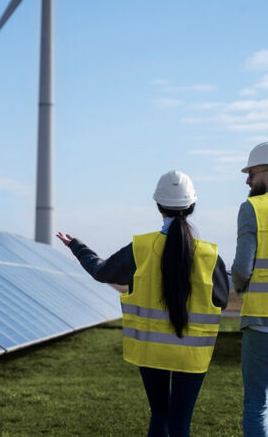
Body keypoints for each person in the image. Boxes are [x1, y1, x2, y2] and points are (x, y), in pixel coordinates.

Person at [57, 170, 229, 437]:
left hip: (151, 350)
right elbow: (221, 299)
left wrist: (77, 247)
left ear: (158, 206)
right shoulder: (210, 255)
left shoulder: (140, 248)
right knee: (180, 424)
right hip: (193, 353)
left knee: (160, 415)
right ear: (192, 206)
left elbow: (102, 271)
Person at [231, 142, 268, 437]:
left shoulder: (252, 208)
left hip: (261, 323)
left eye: (251, 174)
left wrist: (239, 285)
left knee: (256, 403)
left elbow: (242, 269)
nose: (247, 181)